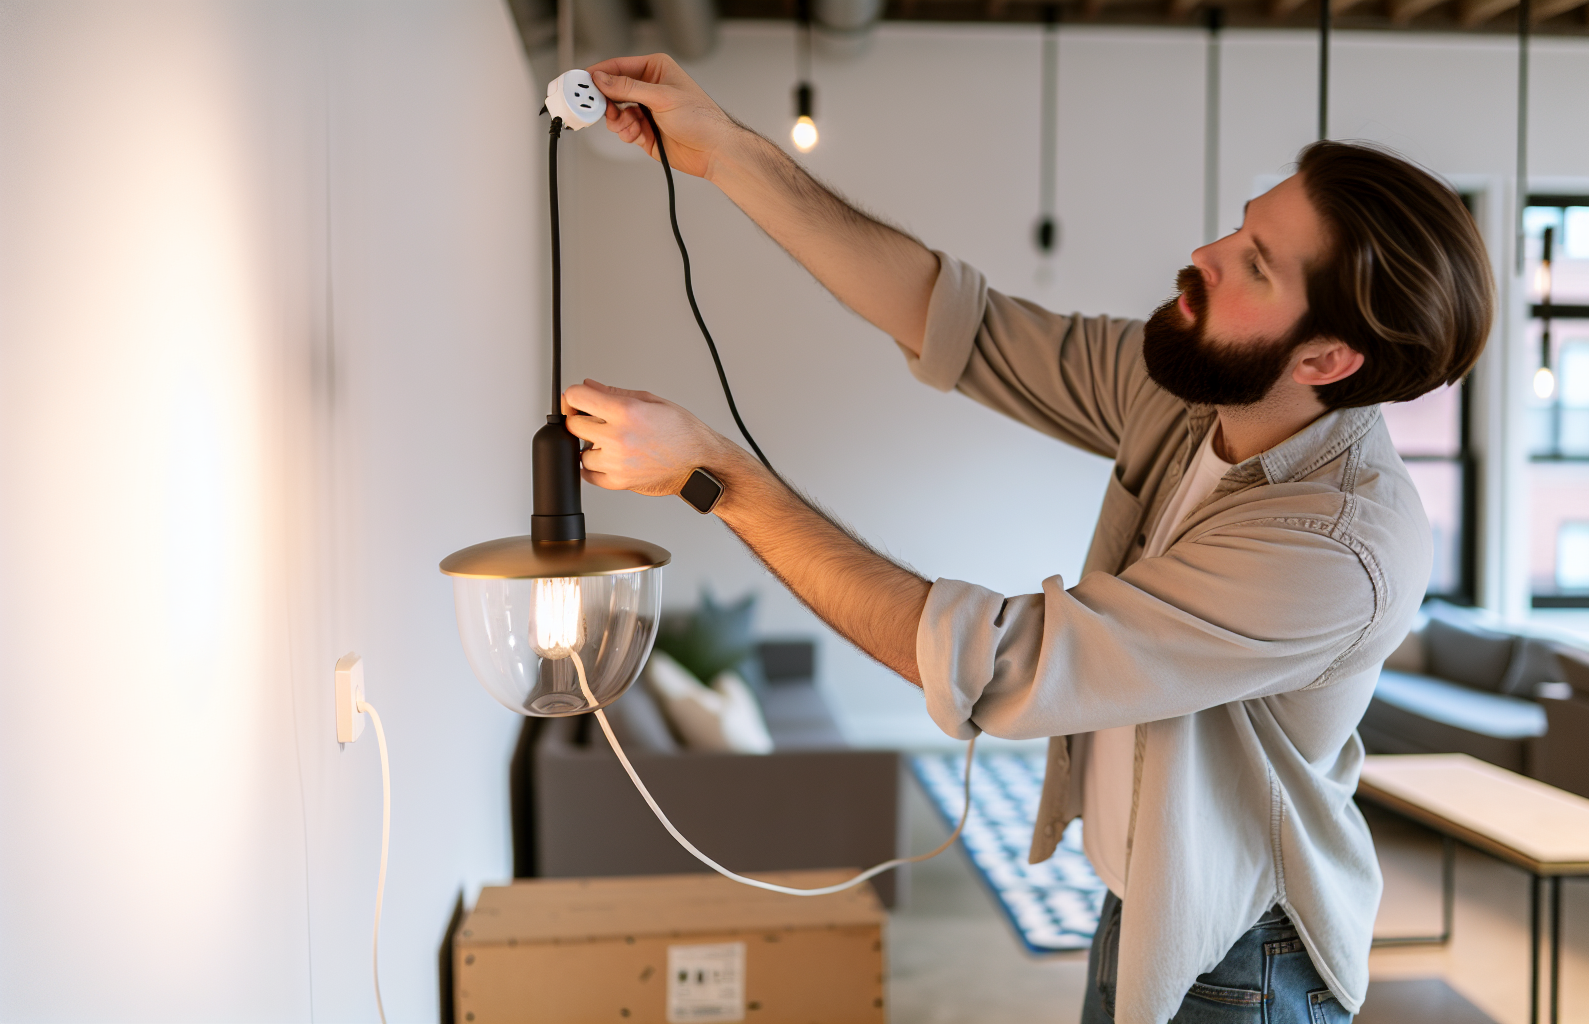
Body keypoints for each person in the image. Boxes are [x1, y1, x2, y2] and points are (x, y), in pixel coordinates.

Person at [566, 53, 1493, 1024]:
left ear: (1325, 357)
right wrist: (726, 153)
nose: (1207, 253)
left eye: (1254, 264)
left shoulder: (1334, 548)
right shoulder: (1191, 393)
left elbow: (1003, 665)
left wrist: (716, 475)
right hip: (1145, 907)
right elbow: (957, 319)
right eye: (1242, 224)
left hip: (1242, 959)